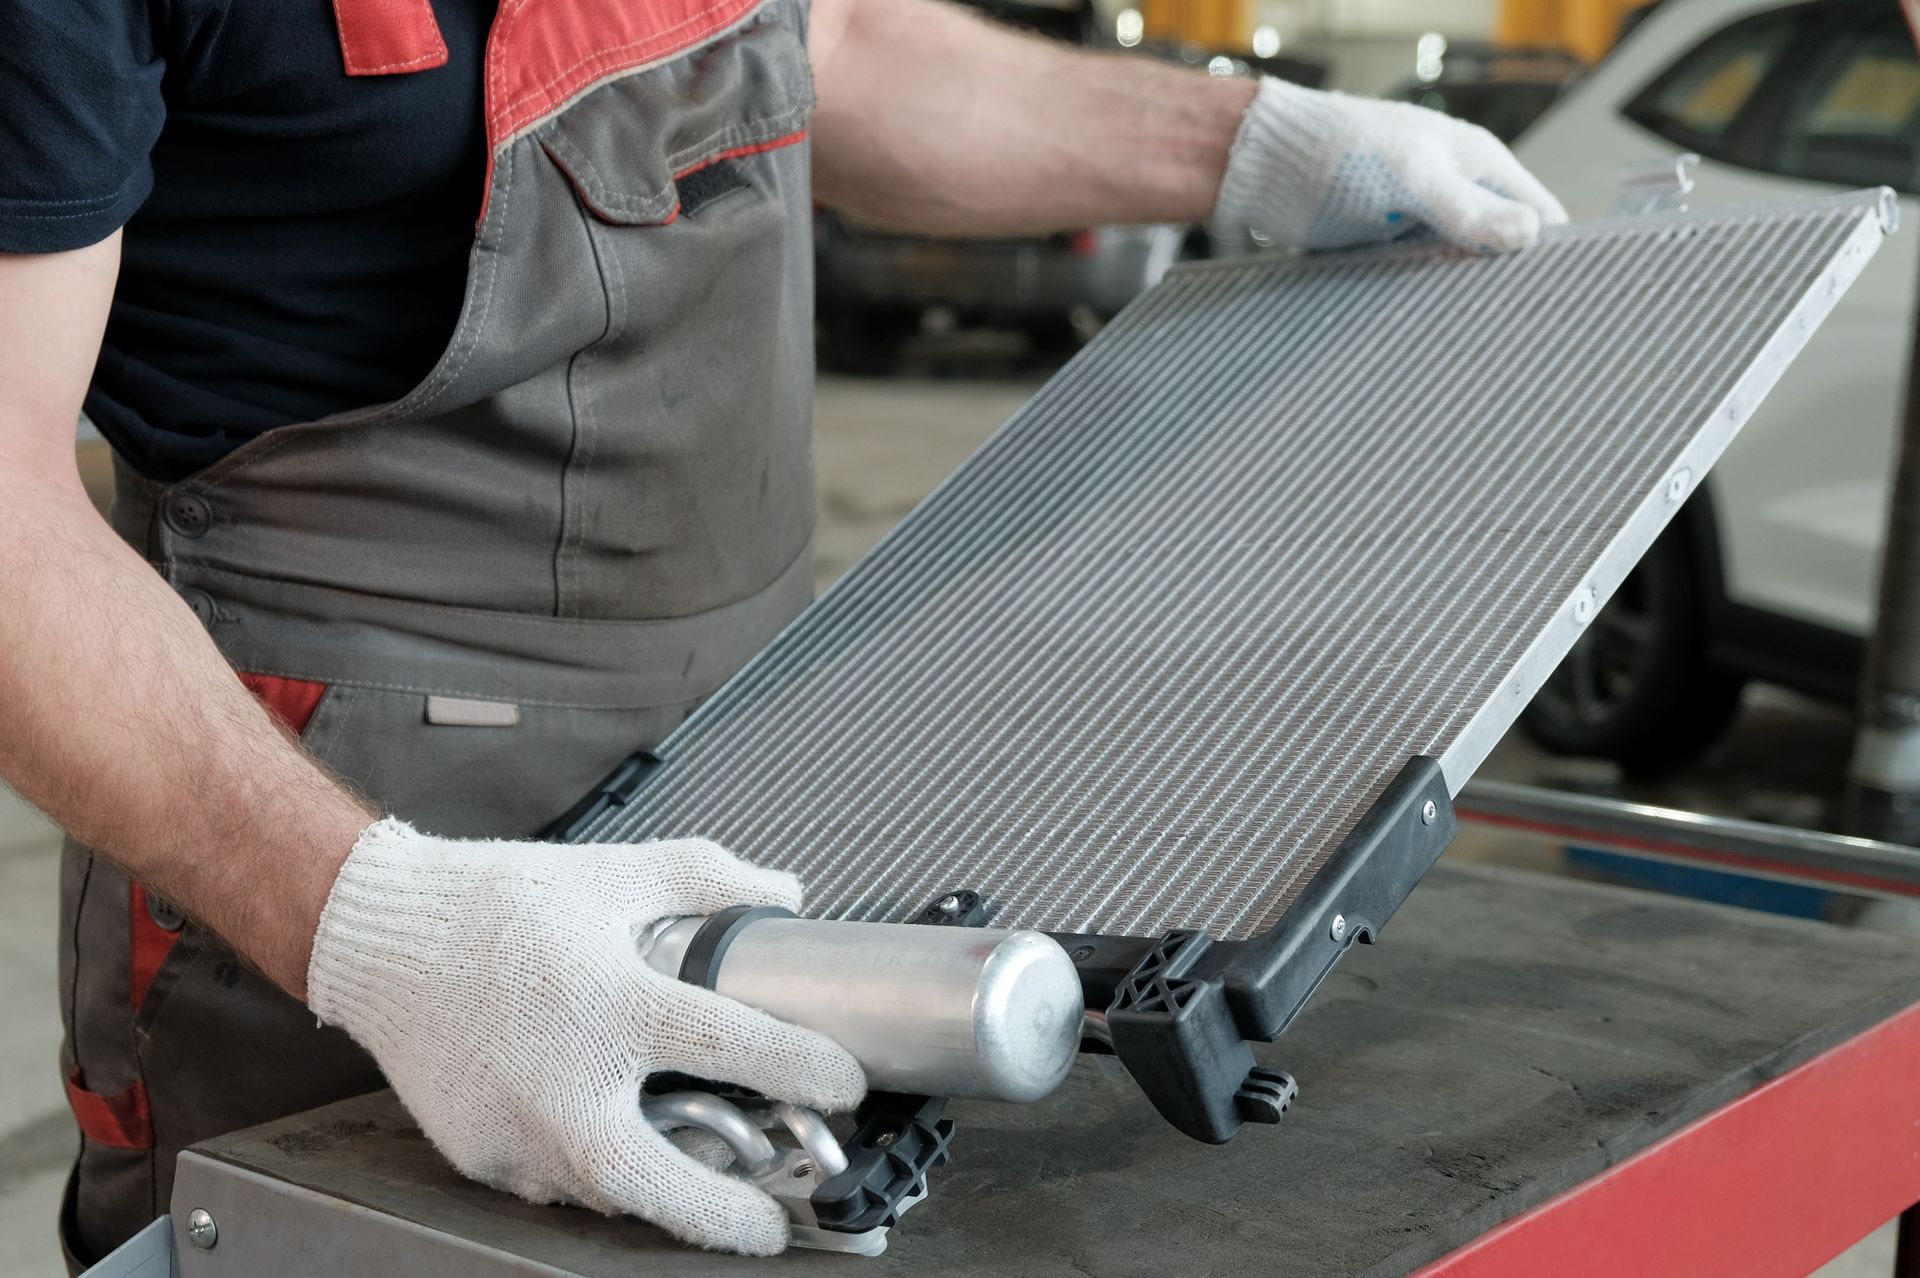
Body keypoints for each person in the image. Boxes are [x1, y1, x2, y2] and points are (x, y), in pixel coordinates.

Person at [0, 0, 1565, 1263]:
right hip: (330, 868)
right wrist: (393, 930)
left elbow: (835, 47)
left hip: (762, 774)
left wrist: (1250, 144)